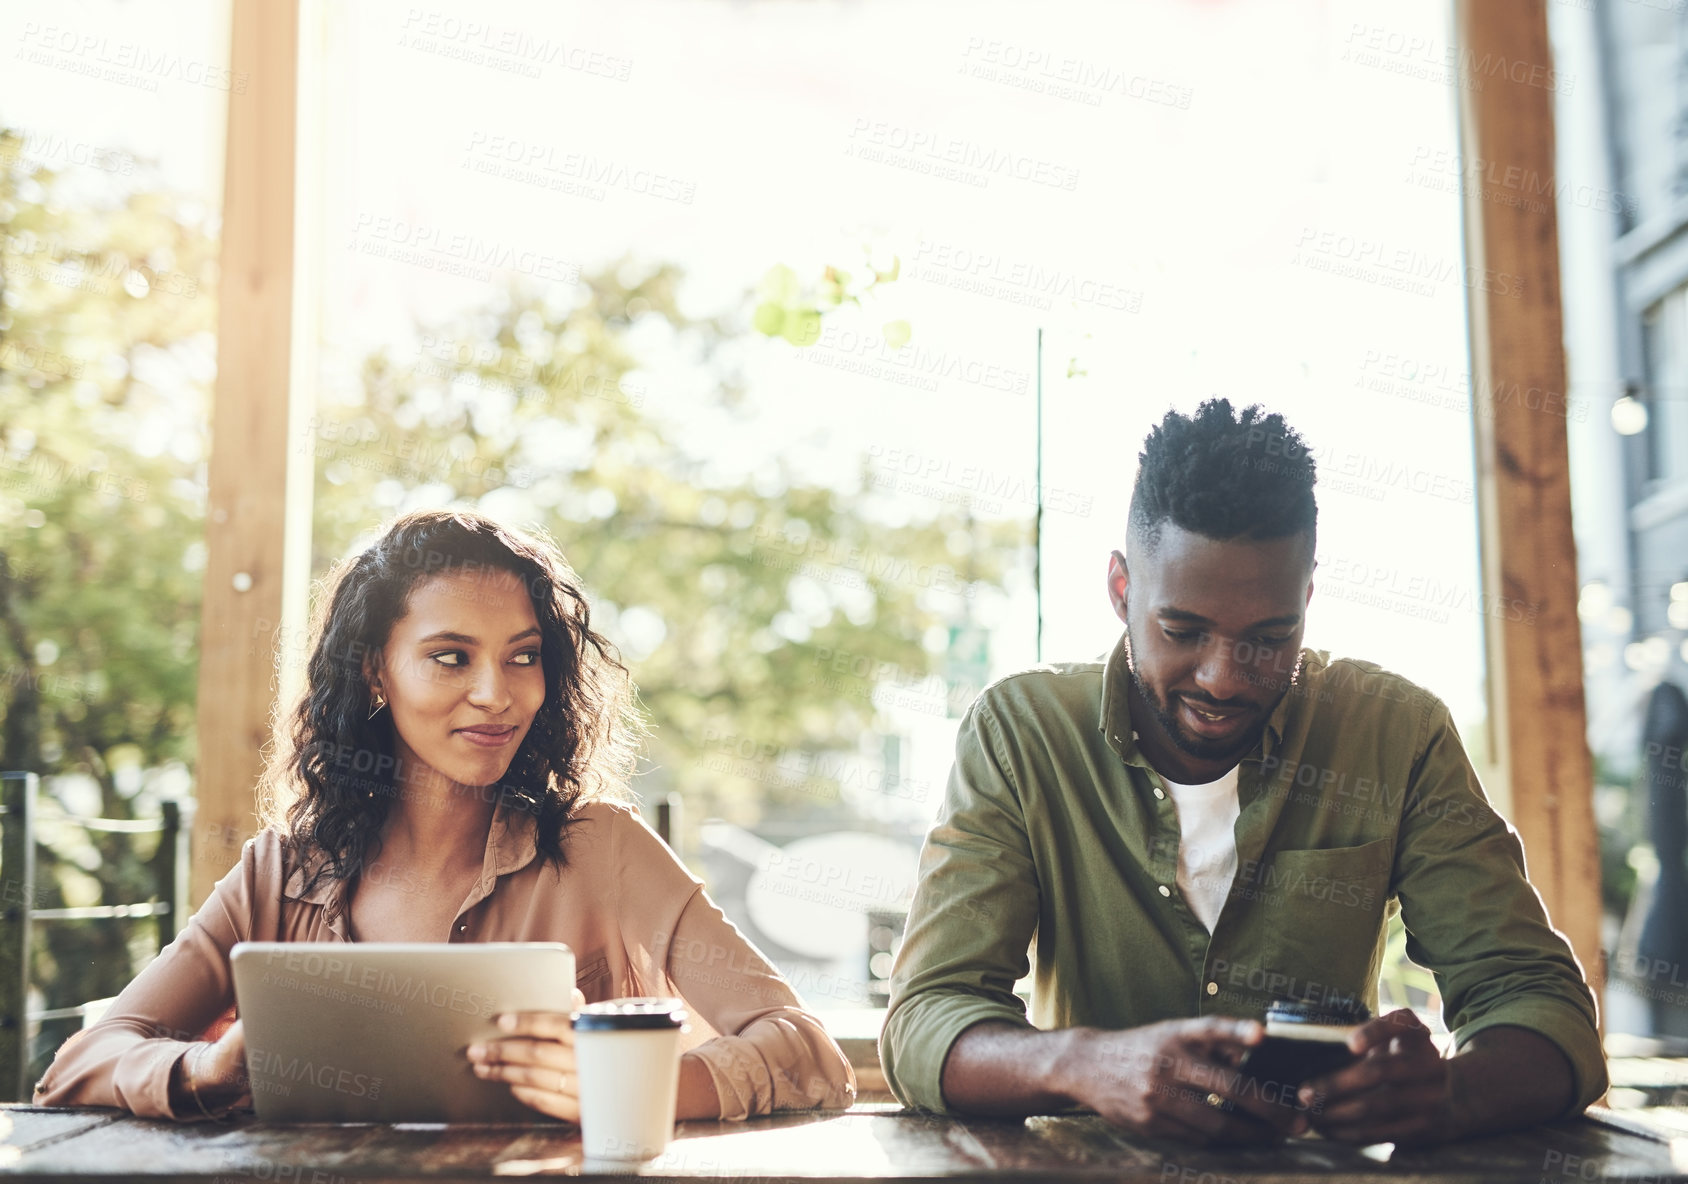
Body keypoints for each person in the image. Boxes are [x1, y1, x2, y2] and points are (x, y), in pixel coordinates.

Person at [880, 399, 1606, 1145]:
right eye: (1183, 631)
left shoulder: (1398, 735)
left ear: (1308, 600)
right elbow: (926, 1020)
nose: (1224, 678)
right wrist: (1087, 1064)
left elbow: (1539, 1003)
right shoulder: (1022, 735)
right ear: (1122, 591)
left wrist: (1448, 1093)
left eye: (1270, 636)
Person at [35, 509, 855, 1121]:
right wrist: (206, 1072)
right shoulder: (279, 872)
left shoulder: (600, 847)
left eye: (523, 657)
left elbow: (811, 1055)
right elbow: (78, 1066)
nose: (497, 693)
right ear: (375, 673)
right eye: (450, 657)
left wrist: (637, 1086)